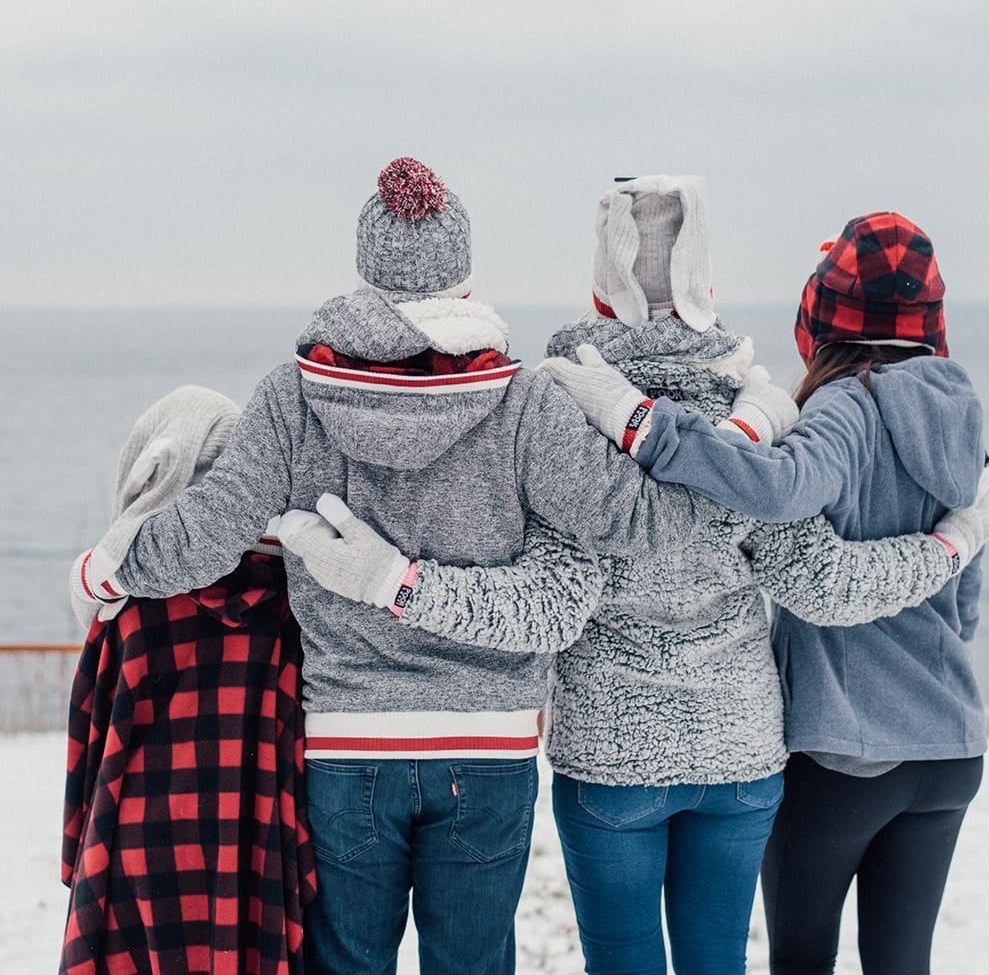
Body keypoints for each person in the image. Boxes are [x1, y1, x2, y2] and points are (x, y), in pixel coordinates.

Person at [277, 182, 989, 975]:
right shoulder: (755, 411)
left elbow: (556, 591)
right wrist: (950, 543)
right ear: (707, 289)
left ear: (603, 289)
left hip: (610, 753)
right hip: (740, 749)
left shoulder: (560, 406)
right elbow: (815, 579)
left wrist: (383, 575)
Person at [72, 159, 722, 975]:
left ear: (365, 274)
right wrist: (739, 453)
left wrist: (111, 571)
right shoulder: (524, 404)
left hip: (348, 740)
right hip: (489, 745)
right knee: (473, 962)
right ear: (465, 280)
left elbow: (207, 532)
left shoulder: (291, 397)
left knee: (348, 964)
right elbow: (638, 521)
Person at [541, 210, 989, 975]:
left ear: (822, 314)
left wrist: (642, 423)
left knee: (798, 958)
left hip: (844, 751)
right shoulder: (962, 415)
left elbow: (781, 489)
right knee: (902, 962)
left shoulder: (846, 408)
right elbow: (962, 612)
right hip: (950, 743)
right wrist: (952, 545)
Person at [63, 386, 315, 975]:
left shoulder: (126, 609)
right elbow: (303, 739)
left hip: (135, 843)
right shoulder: (287, 606)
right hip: (254, 840)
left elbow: (88, 736)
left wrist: (79, 848)